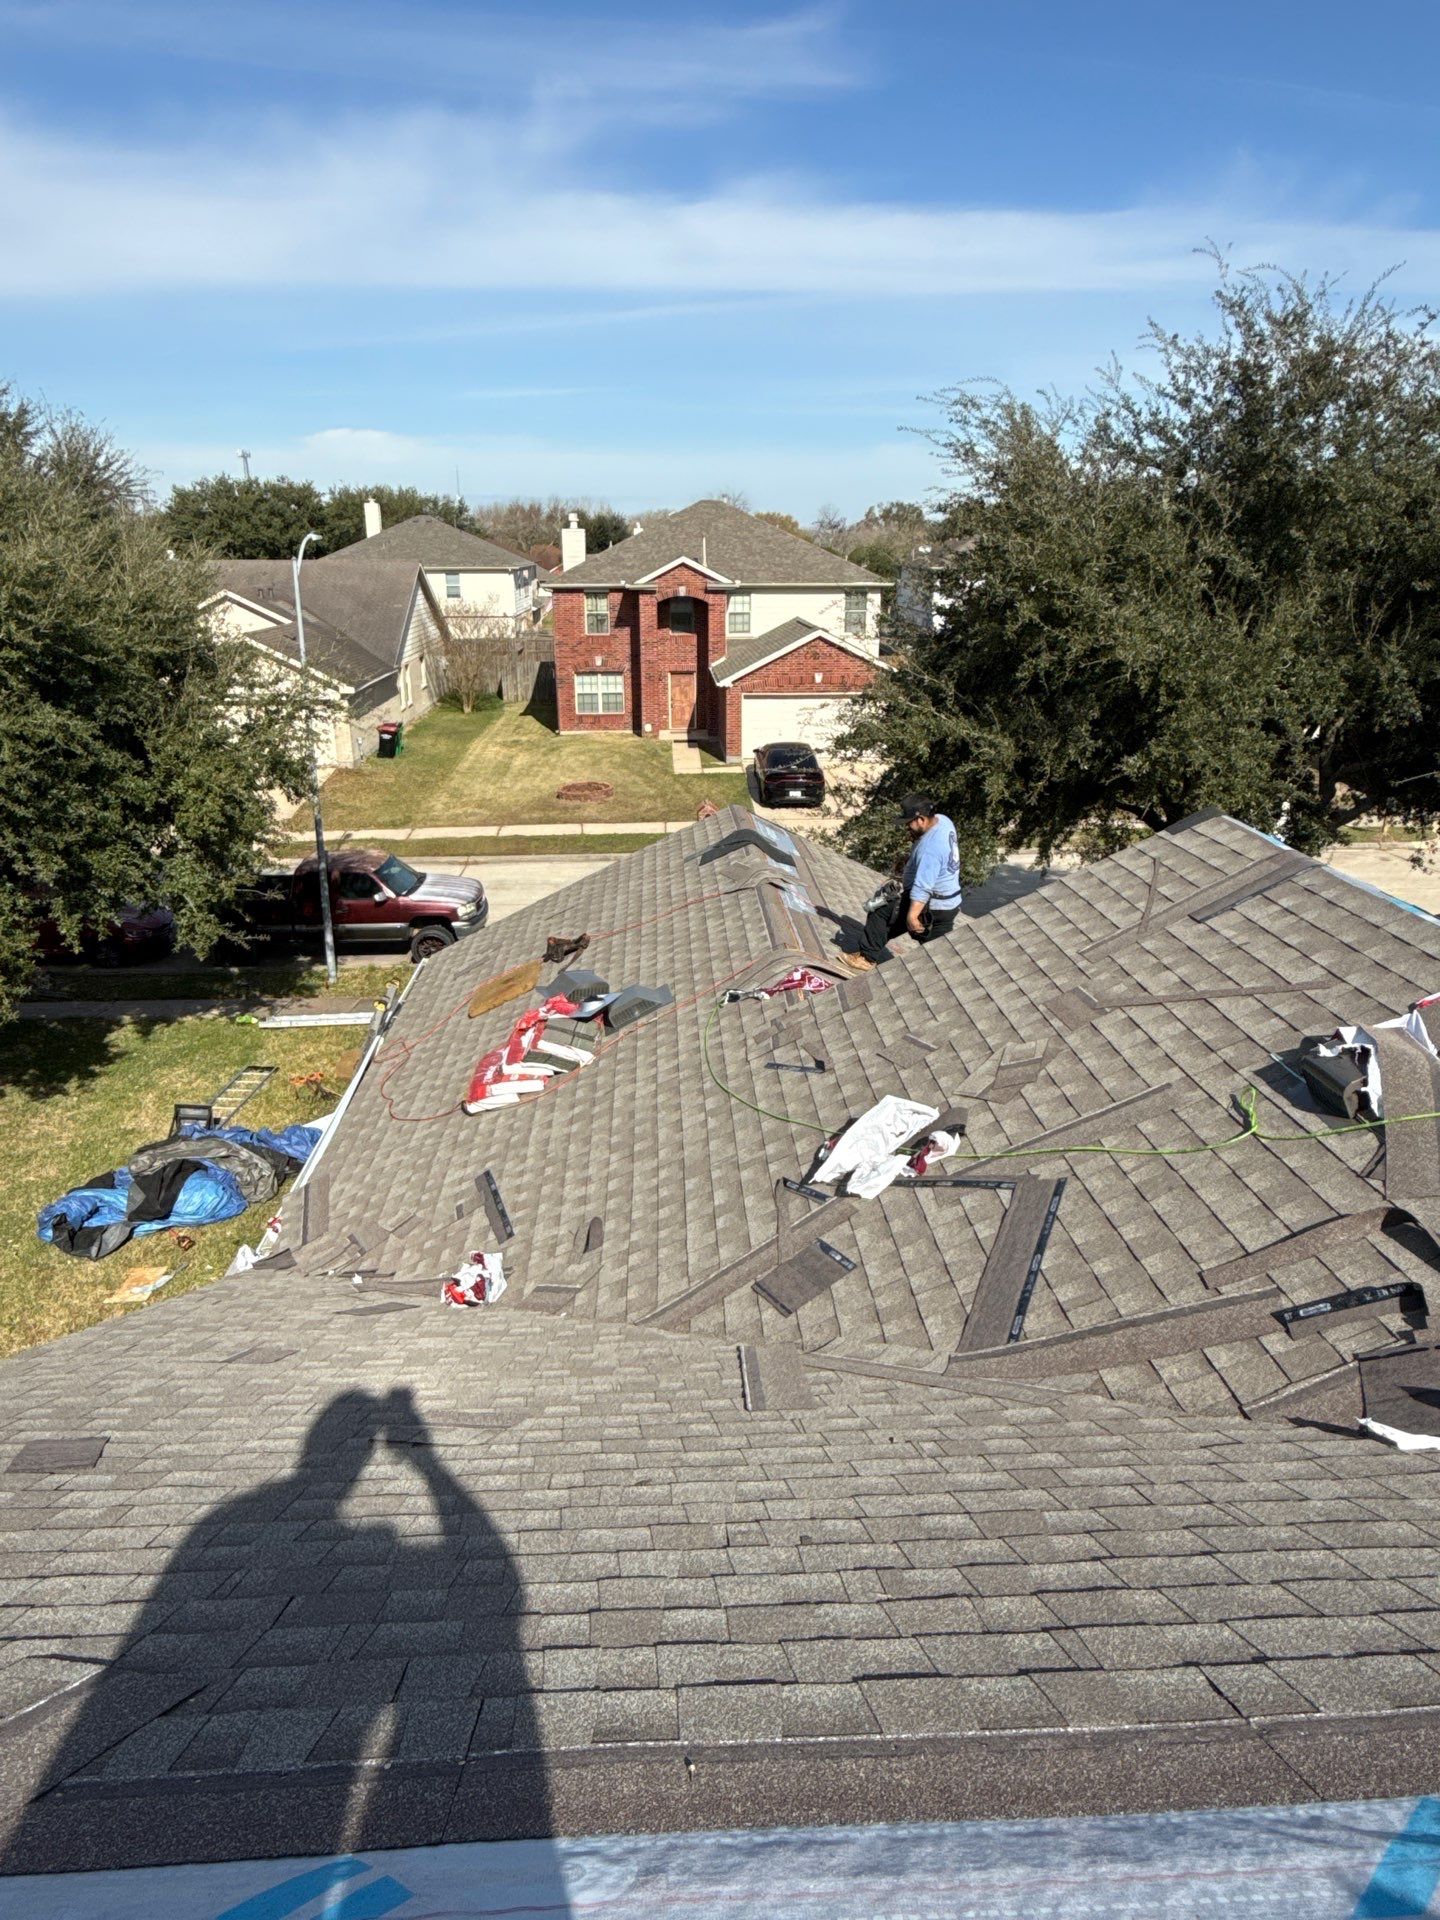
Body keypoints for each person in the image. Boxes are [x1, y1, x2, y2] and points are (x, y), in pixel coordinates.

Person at [843, 792, 962, 970]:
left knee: (881, 912)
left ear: (921, 819)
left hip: (931, 905)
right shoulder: (943, 821)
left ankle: (866, 959)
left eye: (909, 823)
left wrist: (913, 916)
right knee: (935, 953)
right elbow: (938, 856)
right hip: (949, 904)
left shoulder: (930, 850)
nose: (907, 827)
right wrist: (912, 858)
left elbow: (923, 888)